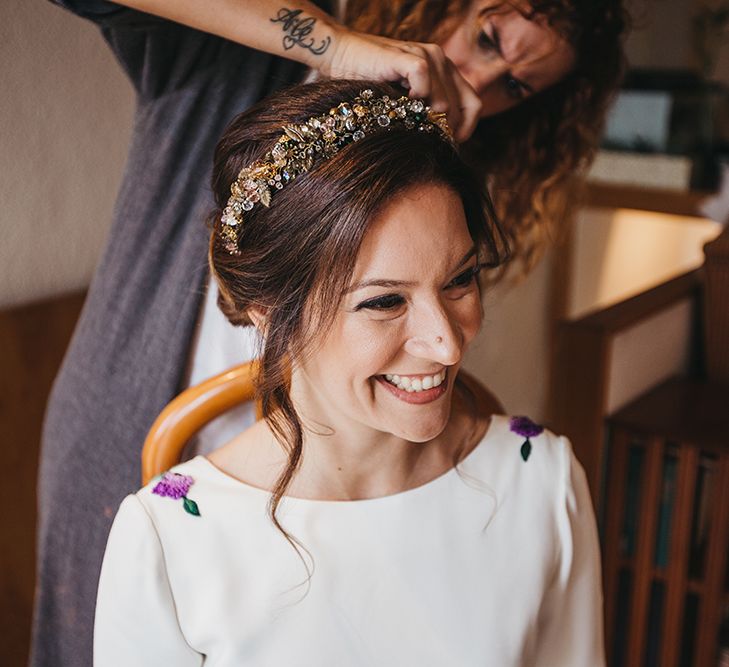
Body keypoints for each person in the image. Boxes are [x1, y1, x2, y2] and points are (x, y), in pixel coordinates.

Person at [35, 1, 624, 664]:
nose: (479, 86)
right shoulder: (162, 534)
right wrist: (332, 45)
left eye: (515, 86)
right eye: (486, 37)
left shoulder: (529, 486)